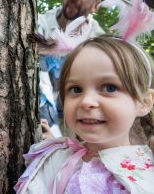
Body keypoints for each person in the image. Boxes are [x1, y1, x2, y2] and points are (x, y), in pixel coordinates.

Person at [14, 35, 154, 193]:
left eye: (109, 88)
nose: (86, 101)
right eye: (76, 89)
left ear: (144, 102)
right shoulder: (53, 157)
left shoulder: (148, 175)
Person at [37, 0, 104, 138]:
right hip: (40, 123)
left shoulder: (100, 41)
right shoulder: (37, 24)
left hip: (79, 125)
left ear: (96, 5)